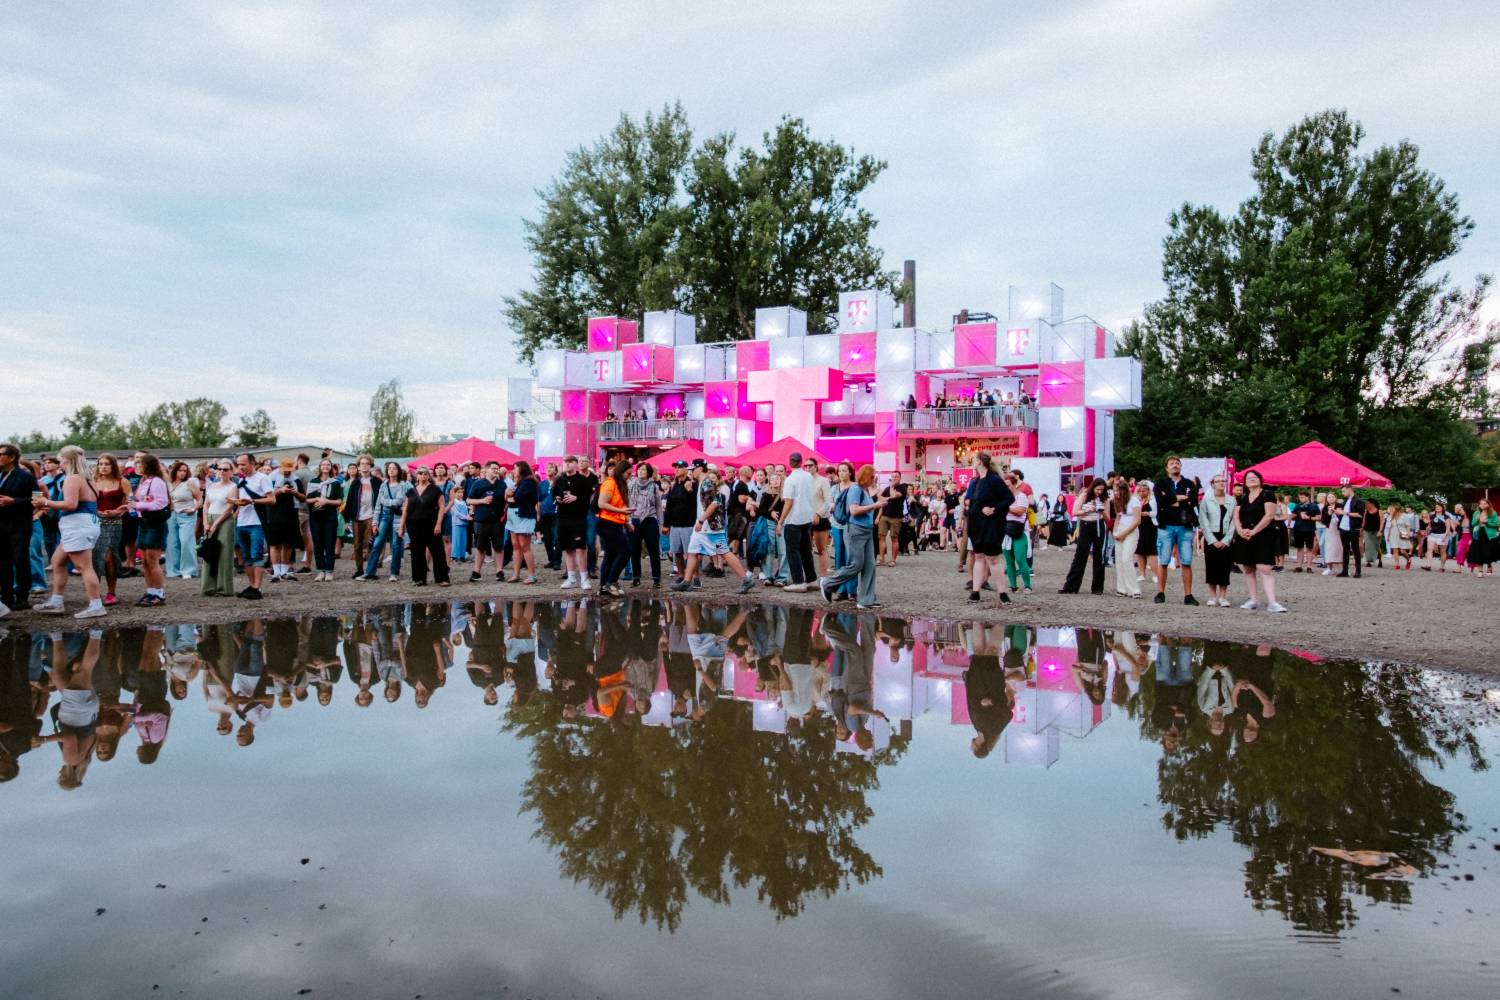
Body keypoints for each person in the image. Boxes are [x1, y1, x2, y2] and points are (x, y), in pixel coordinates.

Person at [30, 445, 105, 617]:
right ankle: (57, 601)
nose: (60, 464)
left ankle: (96, 605)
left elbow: (71, 504)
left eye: (61, 461)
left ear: (68, 461)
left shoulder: (73, 479)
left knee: (84, 566)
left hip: (77, 526)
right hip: (85, 524)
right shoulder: (89, 479)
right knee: (57, 561)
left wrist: (45, 503)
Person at [671, 467, 756, 593]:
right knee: (692, 551)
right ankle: (687, 582)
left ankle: (745, 579)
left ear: (699, 469)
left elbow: (715, 503)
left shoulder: (706, 483)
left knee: (724, 552)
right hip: (704, 527)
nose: (691, 472)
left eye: (693, 469)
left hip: (711, 527)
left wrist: (701, 520)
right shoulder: (702, 483)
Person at [819, 464, 881, 608]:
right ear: (867, 477)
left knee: (870, 566)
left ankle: (867, 599)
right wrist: (875, 506)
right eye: (873, 476)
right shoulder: (855, 489)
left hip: (866, 530)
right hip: (855, 530)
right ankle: (828, 583)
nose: (874, 479)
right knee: (856, 564)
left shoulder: (864, 490)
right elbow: (853, 510)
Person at [1234, 470, 1285, 612]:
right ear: (1245, 482)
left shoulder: (1267, 494)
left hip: (1263, 535)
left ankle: (1272, 602)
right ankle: (1253, 600)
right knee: (1248, 568)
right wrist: (1240, 531)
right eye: (1249, 478)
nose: (1252, 479)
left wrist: (1254, 531)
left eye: (1255, 477)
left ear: (1260, 479)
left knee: (1265, 568)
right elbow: (1236, 516)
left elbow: (1269, 515)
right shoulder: (1242, 497)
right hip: (1244, 535)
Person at [965, 453, 1012, 604]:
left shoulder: (994, 480)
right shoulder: (977, 480)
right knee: (979, 557)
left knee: (993, 558)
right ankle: (975, 592)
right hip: (976, 524)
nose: (972, 462)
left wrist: (994, 509)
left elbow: (1009, 498)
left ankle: (1003, 593)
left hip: (991, 525)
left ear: (979, 462)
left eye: (973, 460)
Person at [1152, 456, 1199, 605]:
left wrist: (1171, 500)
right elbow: (1160, 501)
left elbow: (1192, 502)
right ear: (1166, 468)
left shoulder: (1189, 484)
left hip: (1185, 526)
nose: (1175, 465)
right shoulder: (1161, 483)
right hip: (1166, 525)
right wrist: (1179, 498)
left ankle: (1188, 595)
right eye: (1171, 463)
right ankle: (1160, 592)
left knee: (1186, 561)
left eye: (1177, 463)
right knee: (1164, 560)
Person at [126, 452, 171, 606]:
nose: (136, 464)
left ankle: (159, 593)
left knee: (152, 559)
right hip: (144, 521)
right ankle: (150, 591)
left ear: (147, 465)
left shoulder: (157, 481)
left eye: (139, 462)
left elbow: (161, 503)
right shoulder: (144, 481)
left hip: (155, 523)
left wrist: (138, 505)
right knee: (144, 561)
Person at [0, 443, 39, 613]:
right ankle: (6, 596)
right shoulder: (0, 475)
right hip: (1, 524)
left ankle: (22, 597)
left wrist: (14, 501)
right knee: (3, 561)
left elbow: (37, 499)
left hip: (20, 524)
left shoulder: (25, 476)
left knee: (20, 559)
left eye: (0, 454)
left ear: (11, 457)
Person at [232, 452, 275, 600]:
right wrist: (236, 504)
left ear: (252, 463)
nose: (240, 467)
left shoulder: (263, 479)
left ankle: (257, 587)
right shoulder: (241, 480)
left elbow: (272, 499)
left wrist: (253, 502)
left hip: (256, 522)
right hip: (242, 521)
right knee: (246, 556)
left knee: (256, 554)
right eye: (238, 464)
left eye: (243, 464)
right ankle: (251, 585)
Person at [361, 462, 409, 583]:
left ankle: (394, 573)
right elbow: (378, 505)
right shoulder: (383, 485)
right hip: (384, 517)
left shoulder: (403, 485)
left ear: (398, 471)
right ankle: (369, 572)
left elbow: (399, 501)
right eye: (389, 468)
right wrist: (374, 522)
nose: (391, 470)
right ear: (387, 471)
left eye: (394, 468)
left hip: (397, 517)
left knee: (396, 545)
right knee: (377, 544)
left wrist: (384, 501)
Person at [401, 465, 449, 587]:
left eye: (425, 473)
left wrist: (438, 524)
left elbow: (442, 507)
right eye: (420, 473)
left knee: (437, 552)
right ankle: (419, 578)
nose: (422, 475)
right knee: (417, 552)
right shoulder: (411, 491)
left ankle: (442, 578)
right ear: (416, 475)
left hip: (431, 524)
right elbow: (406, 509)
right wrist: (401, 526)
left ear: (429, 475)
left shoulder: (435, 489)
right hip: (413, 525)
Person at [91, 453, 129, 606]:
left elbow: (131, 502)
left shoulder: (122, 481)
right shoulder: (93, 481)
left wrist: (119, 511)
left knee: (109, 556)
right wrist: (95, 511)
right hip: (95, 522)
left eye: (107, 464)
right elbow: (86, 501)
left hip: (114, 522)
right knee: (95, 556)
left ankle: (111, 591)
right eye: (100, 464)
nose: (103, 467)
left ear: (113, 465)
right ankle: (95, 592)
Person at [1060, 479, 1109, 595]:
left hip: (1098, 525)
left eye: (1102, 490)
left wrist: (1101, 511)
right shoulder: (1084, 496)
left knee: (1099, 556)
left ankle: (1097, 587)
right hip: (1086, 524)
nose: (1099, 492)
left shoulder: (1104, 499)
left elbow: (1107, 518)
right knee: (1080, 555)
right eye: (1098, 489)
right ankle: (1071, 586)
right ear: (1093, 488)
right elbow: (1074, 512)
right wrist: (1087, 510)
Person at [198, 460, 240, 595]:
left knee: (224, 552)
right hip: (210, 518)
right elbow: (205, 505)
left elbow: (230, 507)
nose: (222, 471)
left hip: (225, 520)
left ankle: (224, 588)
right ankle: (208, 587)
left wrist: (216, 524)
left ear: (231, 472)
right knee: (209, 552)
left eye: (226, 469)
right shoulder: (211, 486)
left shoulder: (233, 487)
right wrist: (205, 523)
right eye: (220, 469)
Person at [778, 452, 817, 592]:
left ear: (790, 462)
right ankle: (812, 580)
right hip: (806, 517)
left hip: (794, 519)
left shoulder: (790, 479)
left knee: (793, 551)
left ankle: (798, 581)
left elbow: (788, 502)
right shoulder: (808, 476)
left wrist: (780, 522)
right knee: (806, 550)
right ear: (801, 462)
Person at [553, 455, 593, 589]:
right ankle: (571, 578)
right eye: (566, 462)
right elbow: (554, 494)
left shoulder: (583, 480)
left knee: (580, 548)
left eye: (570, 462)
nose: (568, 464)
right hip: (563, 517)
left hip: (578, 518)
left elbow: (589, 499)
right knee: (567, 548)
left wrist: (576, 498)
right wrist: (557, 498)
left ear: (576, 464)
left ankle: (584, 579)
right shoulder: (560, 479)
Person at [1197, 473, 1237, 606]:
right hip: (1211, 537)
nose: (1221, 483)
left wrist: (1227, 540)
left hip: (1226, 537)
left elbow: (1234, 521)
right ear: (1212, 484)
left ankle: (1223, 597)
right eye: (1218, 481)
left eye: (1223, 481)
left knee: (1225, 567)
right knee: (1212, 566)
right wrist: (1212, 540)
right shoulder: (1206, 501)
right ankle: (1212, 596)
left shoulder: (1232, 500)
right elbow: (1203, 521)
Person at [595, 459, 633, 596]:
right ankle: (611, 581)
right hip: (606, 522)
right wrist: (622, 512)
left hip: (615, 522)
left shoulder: (619, 484)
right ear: (622, 471)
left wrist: (627, 521)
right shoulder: (610, 483)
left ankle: (604, 587)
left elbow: (619, 505)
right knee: (626, 551)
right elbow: (601, 503)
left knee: (610, 554)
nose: (630, 476)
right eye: (628, 473)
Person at [340, 454, 379, 577]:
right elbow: (349, 502)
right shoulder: (355, 483)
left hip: (371, 516)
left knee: (370, 544)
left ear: (371, 466)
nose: (364, 466)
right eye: (362, 464)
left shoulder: (377, 482)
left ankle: (371, 571)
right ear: (358, 466)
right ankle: (359, 570)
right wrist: (346, 520)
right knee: (357, 545)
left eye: (367, 463)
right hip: (357, 517)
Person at [466, 460, 505, 582]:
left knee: (498, 547)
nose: (496, 470)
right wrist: (482, 501)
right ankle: (476, 572)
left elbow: (507, 500)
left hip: (497, 520)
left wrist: (505, 513)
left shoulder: (502, 484)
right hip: (481, 520)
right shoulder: (478, 484)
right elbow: (468, 500)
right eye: (493, 468)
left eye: (497, 468)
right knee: (480, 547)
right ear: (486, 469)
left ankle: (499, 571)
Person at [265, 458, 303, 584]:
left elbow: (304, 498)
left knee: (288, 543)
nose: (287, 473)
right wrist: (280, 491)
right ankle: (276, 571)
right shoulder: (271, 478)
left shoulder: (296, 479)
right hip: (274, 513)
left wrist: (295, 493)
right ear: (280, 467)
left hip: (291, 513)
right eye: (285, 470)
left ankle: (285, 570)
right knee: (275, 544)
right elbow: (266, 496)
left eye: (289, 470)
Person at [305, 458, 343, 581]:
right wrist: (317, 499)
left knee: (329, 543)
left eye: (328, 465)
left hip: (330, 516)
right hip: (316, 516)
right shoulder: (313, 482)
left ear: (331, 467)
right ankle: (321, 570)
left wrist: (326, 501)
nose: (326, 466)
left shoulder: (335, 483)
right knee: (318, 544)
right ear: (320, 467)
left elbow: (339, 501)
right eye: (323, 464)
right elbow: (307, 499)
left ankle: (329, 571)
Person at [163, 461, 201, 580]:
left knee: (186, 541)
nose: (183, 473)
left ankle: (188, 569)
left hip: (187, 514)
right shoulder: (167, 484)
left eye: (185, 471)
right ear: (174, 471)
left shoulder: (190, 484)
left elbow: (200, 500)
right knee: (172, 542)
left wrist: (194, 508)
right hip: (171, 514)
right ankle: (173, 570)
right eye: (180, 470)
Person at [503, 461, 539, 584]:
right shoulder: (520, 483)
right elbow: (509, 497)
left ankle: (532, 575)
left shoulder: (528, 482)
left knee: (524, 546)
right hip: (514, 515)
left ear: (522, 469)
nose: (513, 470)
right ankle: (516, 573)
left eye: (515, 468)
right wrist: (509, 496)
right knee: (515, 545)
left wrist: (509, 496)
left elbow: (516, 498)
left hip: (524, 515)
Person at [627, 462, 663, 588]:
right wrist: (628, 520)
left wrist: (660, 524)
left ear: (648, 472)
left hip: (650, 520)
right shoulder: (630, 485)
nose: (640, 472)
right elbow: (626, 503)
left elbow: (658, 506)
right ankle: (636, 577)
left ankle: (656, 579)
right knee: (634, 550)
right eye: (639, 469)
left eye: (643, 470)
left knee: (653, 551)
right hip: (635, 520)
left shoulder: (654, 487)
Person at [662, 463, 697, 582]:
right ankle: (681, 575)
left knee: (691, 553)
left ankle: (695, 577)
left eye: (680, 467)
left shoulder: (692, 484)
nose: (677, 469)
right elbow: (669, 506)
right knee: (677, 552)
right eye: (676, 467)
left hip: (688, 524)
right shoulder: (674, 485)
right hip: (675, 525)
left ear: (686, 470)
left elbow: (697, 504)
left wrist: (690, 490)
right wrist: (666, 524)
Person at [1002, 471, 1033, 593]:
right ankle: (1013, 585)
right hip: (1006, 531)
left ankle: (1027, 585)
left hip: (1019, 531)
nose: (1006, 488)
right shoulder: (1004, 498)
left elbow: (1020, 511)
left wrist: (1005, 508)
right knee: (1009, 562)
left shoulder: (1022, 496)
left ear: (1015, 484)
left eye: (1008, 485)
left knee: (1020, 560)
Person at [1111, 480, 1143, 598]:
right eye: (1114, 490)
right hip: (1120, 529)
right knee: (1119, 560)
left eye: (1117, 490)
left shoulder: (1134, 501)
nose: (1116, 493)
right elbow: (1118, 517)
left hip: (1131, 531)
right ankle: (1122, 588)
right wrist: (1115, 531)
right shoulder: (1117, 501)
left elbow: (1137, 520)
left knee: (1126, 558)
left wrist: (1124, 533)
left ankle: (1134, 589)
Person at [875, 470, 907, 567]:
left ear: (900, 478)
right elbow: (879, 498)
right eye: (892, 476)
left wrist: (892, 487)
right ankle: (881, 558)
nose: (894, 478)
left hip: (896, 517)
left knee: (894, 538)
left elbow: (893, 495)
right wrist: (878, 516)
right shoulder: (887, 488)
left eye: (896, 476)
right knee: (881, 537)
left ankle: (893, 560)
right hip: (884, 515)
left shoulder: (902, 487)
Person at [1335, 485, 1364, 578]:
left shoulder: (1359, 501)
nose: (1342, 493)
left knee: (1355, 549)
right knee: (1345, 549)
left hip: (1353, 528)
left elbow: (1360, 515)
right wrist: (1338, 512)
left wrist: (1346, 513)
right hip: (1343, 527)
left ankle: (1358, 571)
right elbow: (1343, 513)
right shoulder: (1345, 501)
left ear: (1350, 490)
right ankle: (1345, 570)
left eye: (1344, 491)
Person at [1290, 490, 1318, 572]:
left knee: (1309, 548)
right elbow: (1293, 516)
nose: (1300, 499)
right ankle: (1299, 566)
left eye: (1302, 497)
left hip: (1309, 529)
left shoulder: (1314, 506)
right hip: (1298, 528)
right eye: (1299, 497)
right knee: (1299, 548)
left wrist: (1309, 518)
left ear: (1307, 497)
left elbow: (1319, 517)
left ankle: (1309, 567)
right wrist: (1289, 516)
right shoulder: (1297, 506)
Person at [1469, 499, 1498, 576]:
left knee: (1488, 552)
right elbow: (1472, 524)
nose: (1483, 505)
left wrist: (1487, 523)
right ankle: (1480, 571)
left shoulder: (1493, 513)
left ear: (1488, 504)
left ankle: (1489, 564)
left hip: (1489, 535)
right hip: (1478, 533)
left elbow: (1496, 525)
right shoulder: (1476, 513)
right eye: (1481, 504)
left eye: (1485, 503)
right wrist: (1478, 520)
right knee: (1479, 552)